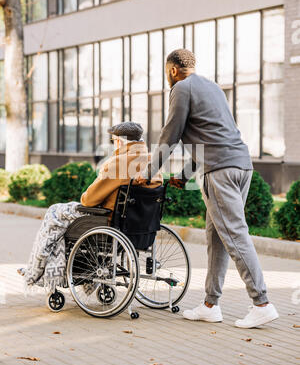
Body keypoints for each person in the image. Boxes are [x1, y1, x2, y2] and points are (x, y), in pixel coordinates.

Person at [138, 48, 279, 329]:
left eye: (167, 73)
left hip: (220, 171)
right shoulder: (212, 87)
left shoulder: (180, 89)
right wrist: (184, 174)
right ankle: (210, 305)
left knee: (235, 235)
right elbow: (208, 134)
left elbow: (171, 134)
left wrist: (148, 172)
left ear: (173, 70)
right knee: (217, 238)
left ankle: (261, 303)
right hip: (241, 165)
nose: (168, 78)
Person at [18, 122, 162, 293]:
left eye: (113, 140)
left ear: (120, 141)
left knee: (54, 212)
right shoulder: (153, 163)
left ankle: (38, 271)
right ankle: (50, 271)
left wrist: (87, 197)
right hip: (142, 227)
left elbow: (88, 200)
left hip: (107, 221)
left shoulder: (118, 163)